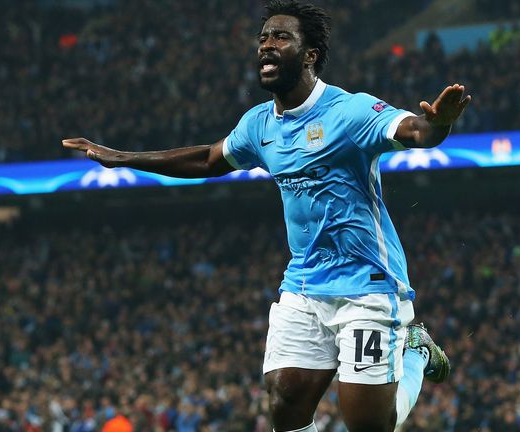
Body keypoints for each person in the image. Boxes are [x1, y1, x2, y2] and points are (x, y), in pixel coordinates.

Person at [61, 1, 471, 431]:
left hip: (366, 285)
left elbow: (415, 131)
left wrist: (438, 124)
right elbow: (206, 160)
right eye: (262, 39)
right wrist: (123, 158)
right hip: (305, 283)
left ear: (309, 55)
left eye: (280, 38)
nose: (266, 47)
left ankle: (416, 351)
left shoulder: (348, 112)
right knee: (284, 403)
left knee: (368, 424)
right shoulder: (259, 125)